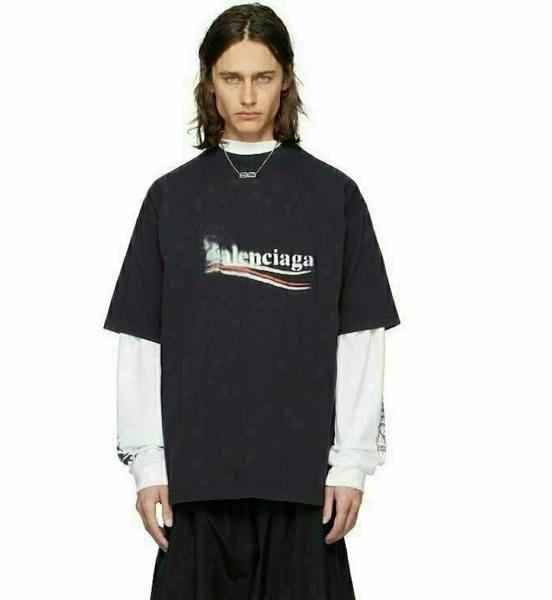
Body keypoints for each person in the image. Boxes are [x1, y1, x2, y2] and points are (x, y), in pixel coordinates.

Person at [103, 4, 400, 599]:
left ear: (285, 80)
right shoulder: (171, 198)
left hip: (303, 484)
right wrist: (148, 463)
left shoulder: (333, 196)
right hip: (197, 483)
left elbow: (360, 337)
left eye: (262, 77)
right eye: (231, 77)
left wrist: (351, 462)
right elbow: (140, 338)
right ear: (208, 82)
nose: (247, 96)